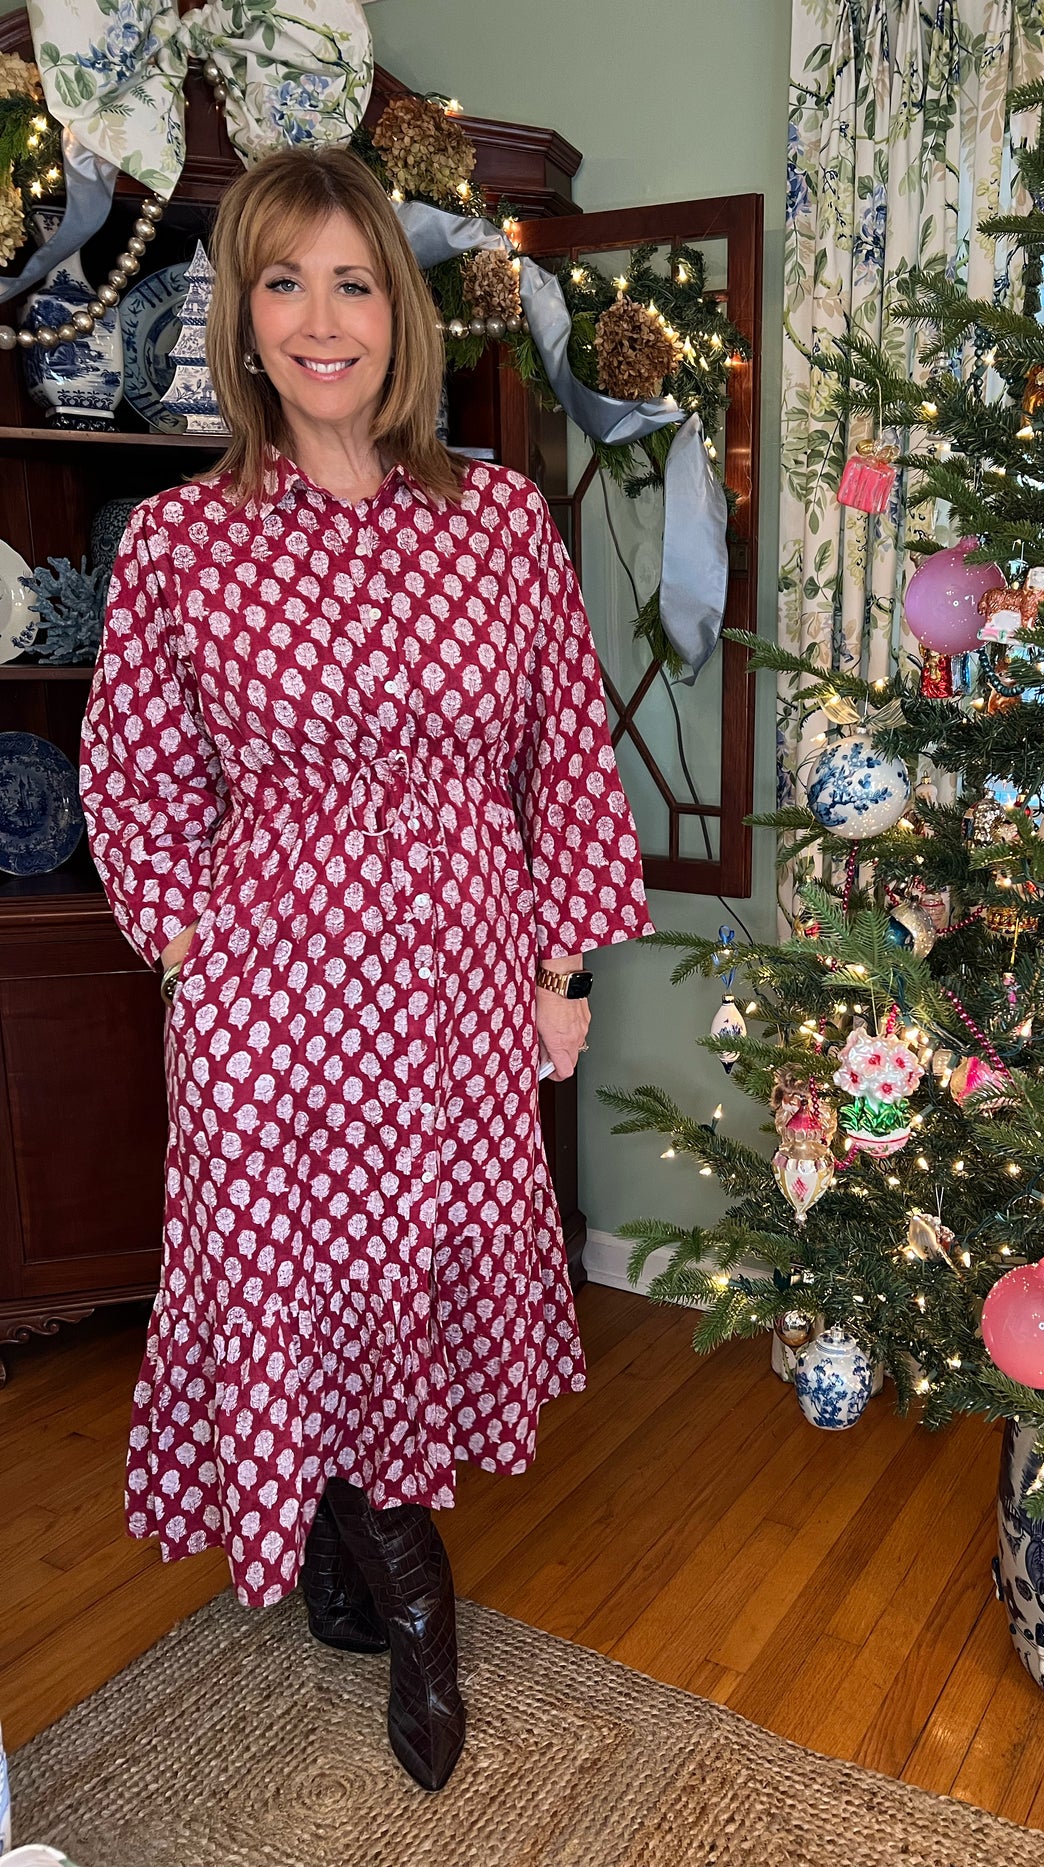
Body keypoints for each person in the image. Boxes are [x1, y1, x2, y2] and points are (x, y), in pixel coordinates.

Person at [77, 145, 654, 1792]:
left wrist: (562, 972)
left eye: (352, 284)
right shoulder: (182, 545)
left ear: (398, 316)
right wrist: (199, 942)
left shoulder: (497, 524)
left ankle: (353, 1549)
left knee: (406, 1276)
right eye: (283, 283)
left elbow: (566, 761)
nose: (321, 321)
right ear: (243, 323)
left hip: (460, 989)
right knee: (291, 1285)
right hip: (272, 1002)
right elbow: (131, 775)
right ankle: (417, 1599)